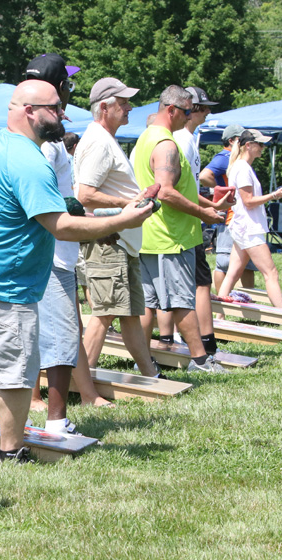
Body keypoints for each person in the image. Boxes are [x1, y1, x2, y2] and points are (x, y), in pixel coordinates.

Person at [0, 80, 154, 463]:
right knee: (15, 373)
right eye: (55, 108)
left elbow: (44, 204)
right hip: (2, 284)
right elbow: (59, 226)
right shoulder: (28, 160)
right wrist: (121, 219)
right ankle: (10, 453)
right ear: (29, 111)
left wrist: (87, 210)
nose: (62, 114)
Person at [23, 54, 113, 432]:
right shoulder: (47, 143)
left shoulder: (53, 136)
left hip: (59, 250)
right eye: (67, 83)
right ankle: (55, 420)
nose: (70, 90)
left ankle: (43, 405)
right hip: (53, 252)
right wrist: (78, 209)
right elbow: (43, 195)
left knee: (59, 331)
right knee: (60, 334)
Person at [132, 85, 226, 373]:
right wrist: (203, 213)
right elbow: (167, 192)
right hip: (170, 237)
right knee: (182, 301)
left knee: (148, 304)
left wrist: (207, 205)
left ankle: (144, 363)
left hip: (149, 235)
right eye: (186, 112)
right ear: (171, 109)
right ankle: (200, 361)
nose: (189, 118)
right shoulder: (166, 145)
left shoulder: (147, 137)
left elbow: (175, 187)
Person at [75, 77, 162, 380]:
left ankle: (150, 374)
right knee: (105, 312)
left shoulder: (105, 139)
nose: (129, 108)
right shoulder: (98, 141)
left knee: (129, 313)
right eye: (122, 103)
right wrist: (130, 202)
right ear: (103, 107)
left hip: (120, 241)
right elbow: (84, 194)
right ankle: (81, 382)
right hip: (107, 240)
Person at [168, 86, 227, 359]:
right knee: (200, 284)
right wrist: (203, 211)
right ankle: (206, 345)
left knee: (187, 285)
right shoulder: (182, 139)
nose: (207, 112)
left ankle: (177, 338)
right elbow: (176, 188)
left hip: (188, 220)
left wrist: (211, 205)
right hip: (183, 224)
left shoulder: (188, 138)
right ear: (189, 111)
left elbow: (188, 186)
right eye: (202, 108)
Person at [215, 129, 282, 306]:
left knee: (233, 272)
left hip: (242, 226)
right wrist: (275, 195)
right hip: (248, 228)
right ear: (248, 145)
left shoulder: (241, 167)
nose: (263, 148)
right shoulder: (242, 169)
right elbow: (248, 201)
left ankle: (219, 314)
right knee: (271, 272)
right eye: (260, 144)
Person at [201, 125, 257, 293]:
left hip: (240, 215)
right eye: (242, 139)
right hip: (229, 215)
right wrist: (225, 190)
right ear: (232, 141)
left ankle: (247, 297)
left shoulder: (238, 160)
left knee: (248, 260)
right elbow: (204, 176)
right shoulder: (225, 156)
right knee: (224, 262)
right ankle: (222, 302)